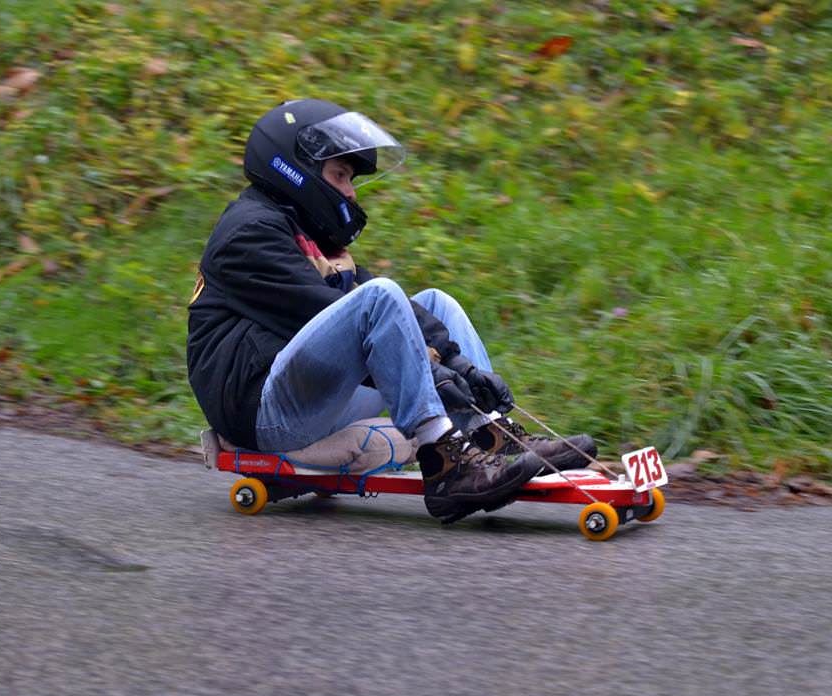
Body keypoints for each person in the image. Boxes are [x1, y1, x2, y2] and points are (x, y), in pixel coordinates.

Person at [187, 99, 597, 522]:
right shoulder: (248, 235)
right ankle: (446, 463)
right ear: (295, 169)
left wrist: (462, 368)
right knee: (378, 298)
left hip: (305, 397)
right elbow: (330, 314)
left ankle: (489, 434)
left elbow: (391, 313)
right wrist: (434, 375)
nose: (349, 192)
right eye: (340, 175)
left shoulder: (305, 234)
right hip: (258, 409)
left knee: (433, 302)